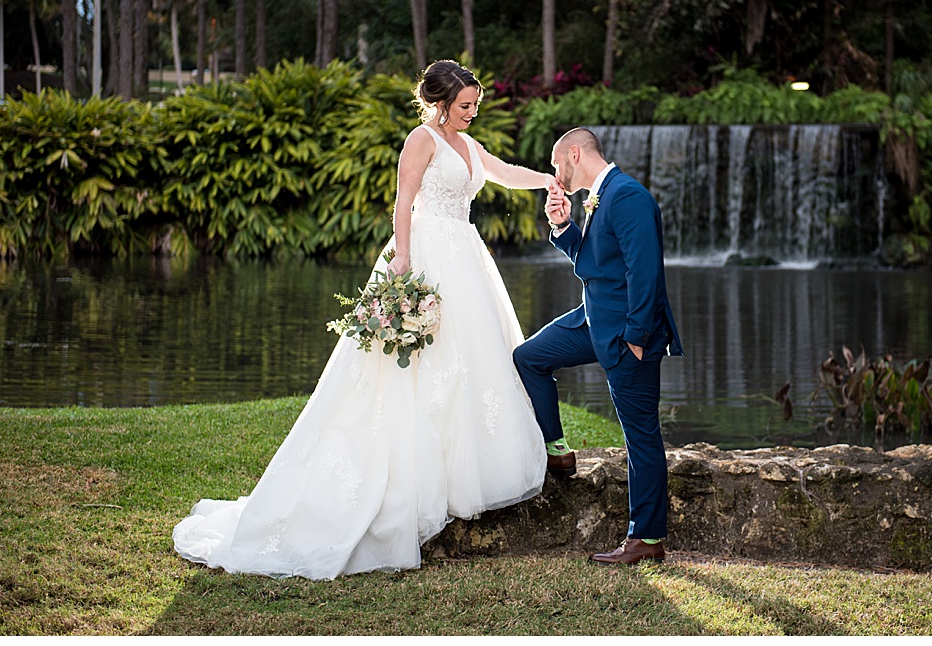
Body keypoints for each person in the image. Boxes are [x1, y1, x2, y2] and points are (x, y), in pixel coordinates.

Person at [173, 60, 554, 579]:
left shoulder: (469, 147)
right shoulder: (421, 140)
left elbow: (503, 173)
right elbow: (404, 199)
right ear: (440, 105)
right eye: (465, 106)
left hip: (466, 258)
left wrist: (550, 181)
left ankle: (468, 477)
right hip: (425, 255)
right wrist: (402, 257)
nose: (472, 113)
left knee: (473, 362)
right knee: (413, 369)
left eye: (476, 106)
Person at [514, 128, 683, 566]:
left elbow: (645, 273)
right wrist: (562, 226)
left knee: (641, 435)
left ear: (574, 154)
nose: (555, 174)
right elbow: (595, 265)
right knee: (529, 357)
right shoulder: (600, 196)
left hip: (629, 333)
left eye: (556, 164)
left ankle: (646, 538)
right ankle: (558, 452)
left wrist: (638, 338)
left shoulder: (627, 196)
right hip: (595, 318)